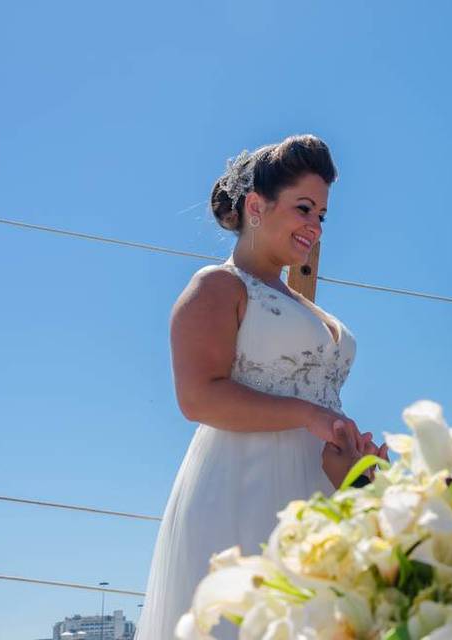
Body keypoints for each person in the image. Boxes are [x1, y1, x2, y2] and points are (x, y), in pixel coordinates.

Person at [137, 135, 380, 640]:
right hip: (242, 493)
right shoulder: (217, 287)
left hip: (317, 492)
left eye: (323, 215)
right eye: (304, 208)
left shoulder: (306, 306)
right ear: (255, 205)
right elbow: (198, 397)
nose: (314, 226)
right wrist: (309, 416)